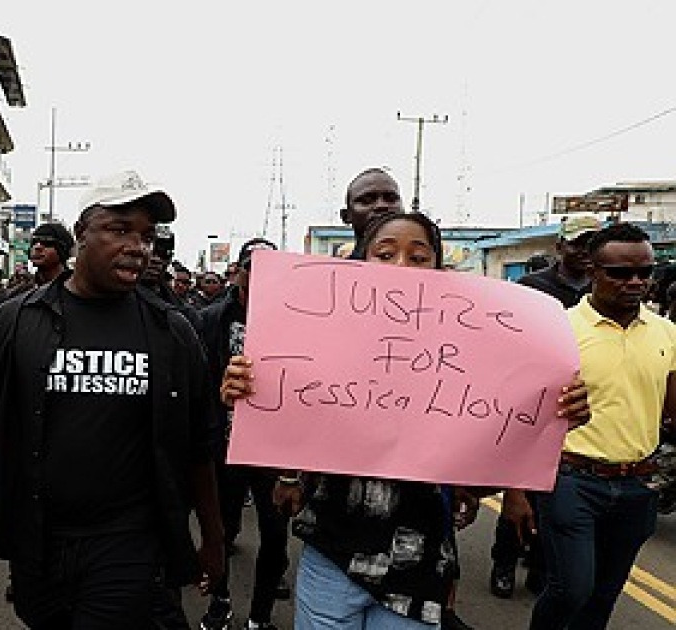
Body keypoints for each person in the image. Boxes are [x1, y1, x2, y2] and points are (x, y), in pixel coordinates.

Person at [220, 212, 589, 629]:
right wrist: (249, 394)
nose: (401, 268)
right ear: (361, 262)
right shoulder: (317, 340)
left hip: (420, 563)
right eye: (386, 253)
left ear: (438, 269)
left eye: (418, 257)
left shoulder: (470, 350)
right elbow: (289, 440)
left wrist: (549, 421)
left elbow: (481, 470)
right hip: (333, 553)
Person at [0, 170, 225, 629]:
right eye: (119, 230)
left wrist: (212, 539)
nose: (137, 246)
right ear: (81, 235)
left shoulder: (172, 332)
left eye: (147, 236)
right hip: (37, 539)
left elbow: (199, 444)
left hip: (129, 543)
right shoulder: (16, 322)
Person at [528, 222, 676, 630]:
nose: (636, 282)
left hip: (638, 485)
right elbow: (527, 413)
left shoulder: (667, 333)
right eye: (620, 273)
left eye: (645, 273)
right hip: (572, 480)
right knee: (572, 587)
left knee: (604, 594)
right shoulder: (557, 331)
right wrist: (517, 496)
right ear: (592, 271)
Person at [492, 215, 601, 600]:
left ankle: (541, 566)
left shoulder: (602, 292)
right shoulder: (531, 289)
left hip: (580, 416)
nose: (585, 253)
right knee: (520, 494)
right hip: (533, 407)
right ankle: (503, 562)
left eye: (593, 244)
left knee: (557, 502)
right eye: (578, 244)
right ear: (560, 247)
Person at [198, 237, 289, 630]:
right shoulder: (210, 319)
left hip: (275, 452)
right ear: (239, 271)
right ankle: (220, 600)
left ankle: (261, 616)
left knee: (275, 535)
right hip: (225, 448)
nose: (261, 274)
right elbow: (198, 384)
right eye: (254, 266)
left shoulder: (296, 320)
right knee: (221, 529)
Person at [517, 215, 599, 309]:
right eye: (577, 244)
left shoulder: (606, 287)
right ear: (559, 247)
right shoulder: (531, 286)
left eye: (591, 245)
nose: (585, 251)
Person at [339, 168, 403, 255]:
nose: (381, 205)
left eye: (391, 199)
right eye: (366, 200)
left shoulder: (422, 267)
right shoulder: (335, 269)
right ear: (346, 216)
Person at [8, 222, 74, 298]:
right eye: (34, 242)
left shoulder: (76, 291)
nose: (37, 247)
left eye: (47, 242)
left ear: (62, 250)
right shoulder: (19, 295)